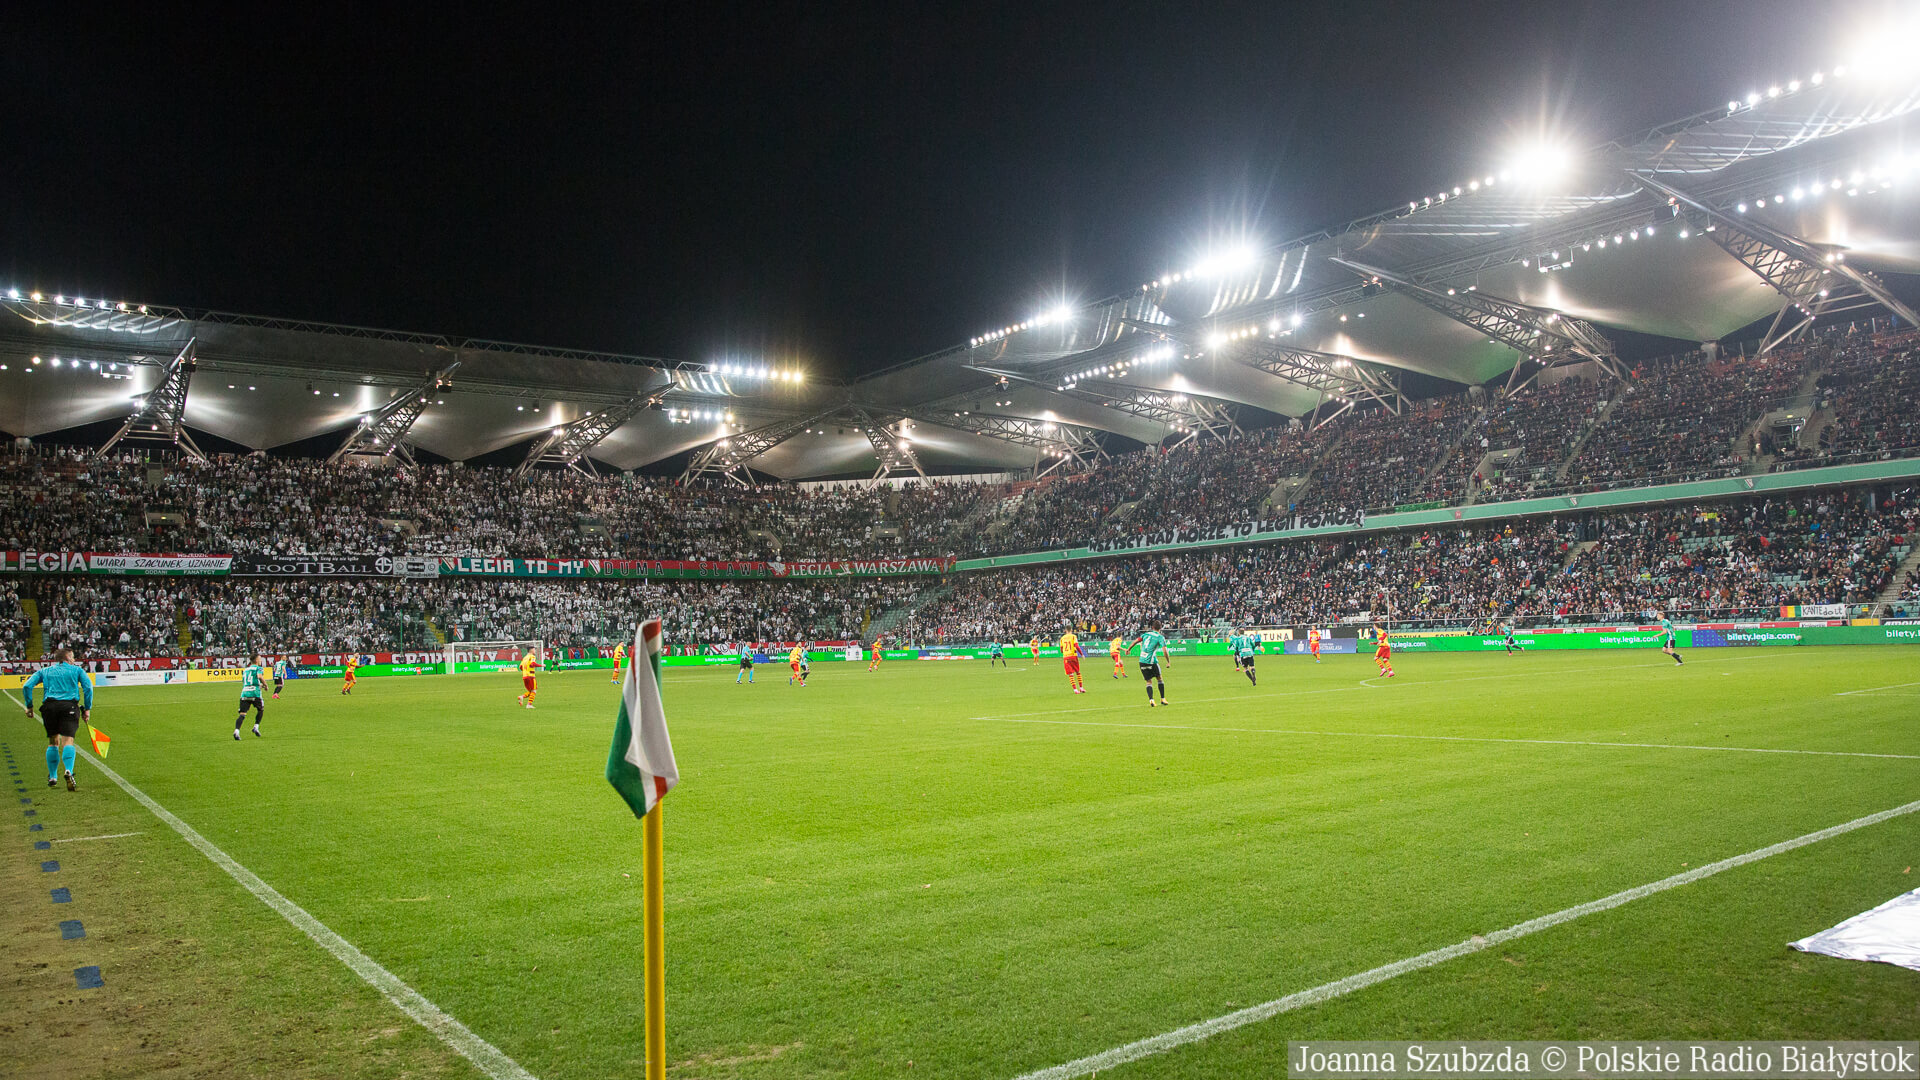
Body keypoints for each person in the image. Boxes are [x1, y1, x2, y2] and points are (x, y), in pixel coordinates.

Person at [22, 646, 92, 792]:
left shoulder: (45, 671)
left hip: (49, 707)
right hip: (69, 707)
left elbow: (27, 686)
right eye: (72, 657)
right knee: (68, 741)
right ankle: (68, 771)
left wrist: (29, 706)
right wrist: (87, 708)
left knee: (53, 741)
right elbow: (88, 687)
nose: (74, 660)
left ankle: (53, 776)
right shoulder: (77, 670)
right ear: (67, 658)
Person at [235, 654, 267, 739]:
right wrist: (265, 685)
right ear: (256, 660)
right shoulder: (259, 668)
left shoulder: (246, 670)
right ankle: (256, 727)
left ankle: (236, 731)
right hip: (255, 693)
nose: (260, 661)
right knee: (260, 709)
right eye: (259, 659)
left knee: (242, 714)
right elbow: (259, 676)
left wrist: (259, 685)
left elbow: (245, 681)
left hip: (245, 693)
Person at [1138, 623, 1169, 707]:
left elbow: (1137, 642)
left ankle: (1151, 700)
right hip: (1151, 661)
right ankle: (1163, 699)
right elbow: (1165, 651)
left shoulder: (1146, 634)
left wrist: (1129, 649)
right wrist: (1168, 661)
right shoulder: (1160, 637)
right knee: (1159, 678)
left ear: (1152, 627)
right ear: (1160, 627)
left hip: (1141, 661)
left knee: (1148, 681)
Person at [1060, 628, 1085, 694]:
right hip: (1073, 656)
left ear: (1065, 630)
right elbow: (1076, 646)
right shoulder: (1073, 636)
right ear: (1071, 630)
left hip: (1066, 657)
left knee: (1071, 674)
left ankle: (1075, 690)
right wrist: (1082, 654)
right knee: (1078, 672)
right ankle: (1081, 688)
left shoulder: (1062, 638)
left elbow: (1061, 650)